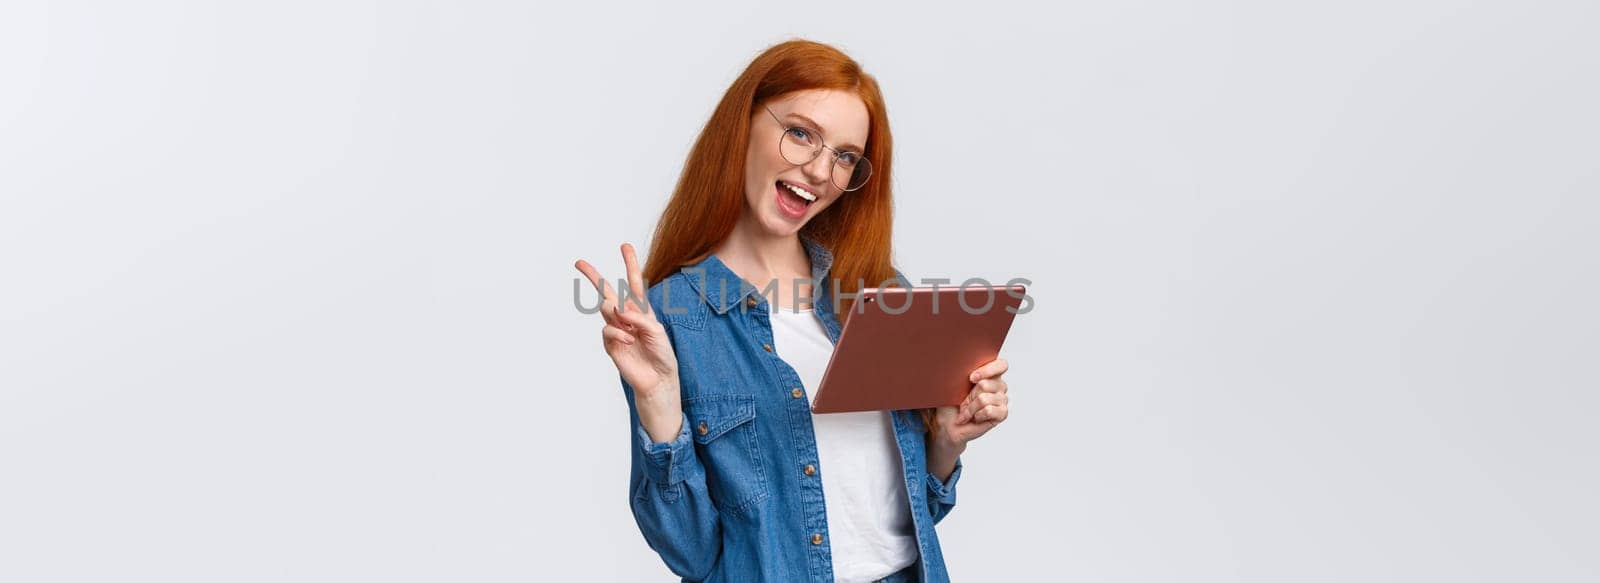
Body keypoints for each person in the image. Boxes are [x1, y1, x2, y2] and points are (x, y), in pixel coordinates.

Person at [574, 39, 1011, 583]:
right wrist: (659, 401)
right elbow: (690, 552)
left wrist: (946, 439)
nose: (820, 170)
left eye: (845, 156)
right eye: (801, 134)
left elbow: (913, 515)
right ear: (745, 125)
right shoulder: (668, 318)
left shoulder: (876, 291)